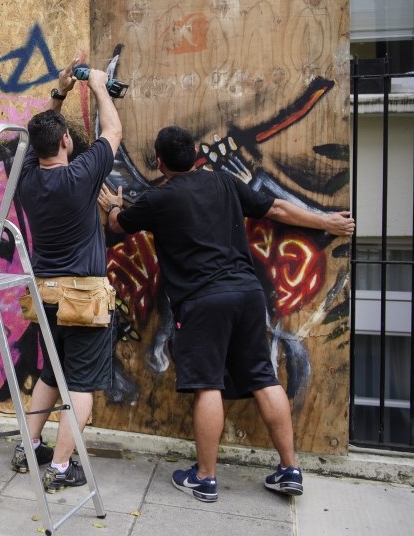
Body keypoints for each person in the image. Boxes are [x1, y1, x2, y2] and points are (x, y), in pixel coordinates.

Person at [98, 125, 355, 503]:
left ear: (159, 161)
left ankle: (204, 478)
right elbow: (277, 208)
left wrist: (113, 206)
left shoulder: (159, 198)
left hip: (203, 303)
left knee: (208, 385)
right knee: (263, 378)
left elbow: (119, 225)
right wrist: (328, 221)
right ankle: (289, 468)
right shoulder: (224, 182)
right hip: (248, 295)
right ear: (195, 155)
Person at [10, 54, 122, 493]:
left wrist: (59, 93)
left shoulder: (27, 179)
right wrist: (95, 84)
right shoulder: (80, 175)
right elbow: (113, 132)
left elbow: (39, 135)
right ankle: (59, 468)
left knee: (50, 374)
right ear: (66, 144)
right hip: (85, 298)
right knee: (80, 386)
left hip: (45, 295)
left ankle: (30, 446)